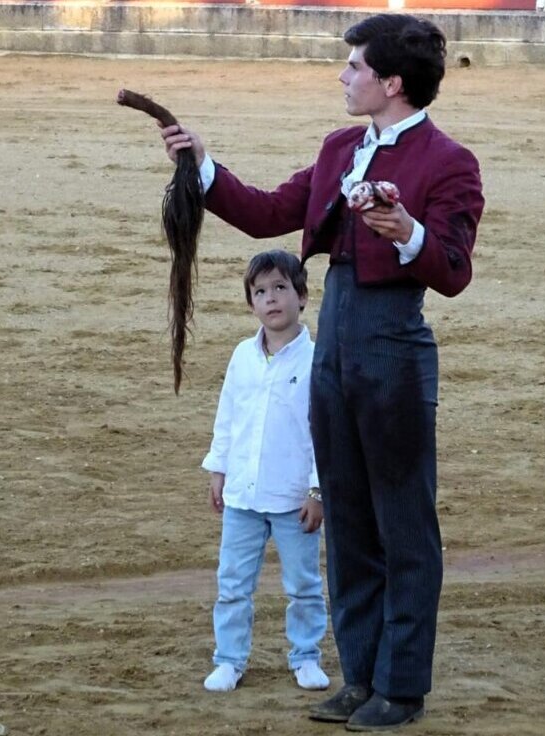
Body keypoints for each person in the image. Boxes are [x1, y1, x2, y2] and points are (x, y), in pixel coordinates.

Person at [164, 13, 483, 730]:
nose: (344, 77)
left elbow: (455, 268)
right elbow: (270, 210)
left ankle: (401, 686)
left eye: (355, 68)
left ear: (391, 83)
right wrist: (202, 167)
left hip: (394, 348)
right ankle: (361, 675)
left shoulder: (447, 162)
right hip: (332, 347)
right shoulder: (343, 147)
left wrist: (410, 234)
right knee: (346, 520)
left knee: (402, 524)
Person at [200, 249, 330, 694]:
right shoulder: (242, 355)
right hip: (242, 495)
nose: (271, 299)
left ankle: (307, 655)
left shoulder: (318, 359)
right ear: (250, 303)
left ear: (302, 296)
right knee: (232, 583)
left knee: (304, 584)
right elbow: (228, 415)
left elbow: (323, 431)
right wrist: (218, 468)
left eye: (280, 288)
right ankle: (230, 659)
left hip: (294, 497)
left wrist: (318, 491)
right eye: (260, 291)